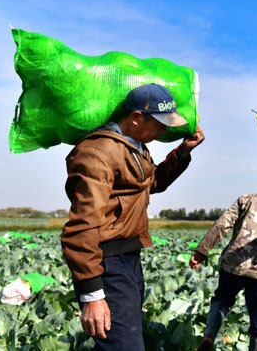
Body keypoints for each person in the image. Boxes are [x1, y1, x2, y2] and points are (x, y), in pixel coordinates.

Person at [61, 83, 205, 350]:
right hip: (106, 264)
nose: (165, 130)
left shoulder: (135, 147)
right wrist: (92, 294)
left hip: (128, 260)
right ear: (137, 118)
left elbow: (150, 183)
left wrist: (183, 152)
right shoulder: (98, 152)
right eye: (160, 122)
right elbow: (83, 225)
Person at [191, 164, 257, 351]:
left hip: (233, 266)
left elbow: (221, 226)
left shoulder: (245, 200)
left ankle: (209, 335)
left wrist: (202, 251)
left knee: (222, 300)